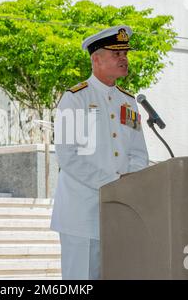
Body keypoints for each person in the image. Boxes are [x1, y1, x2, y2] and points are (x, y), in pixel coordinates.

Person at [50, 25, 149, 280]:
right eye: (117, 54)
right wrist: (113, 184)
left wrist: (130, 186)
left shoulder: (128, 102)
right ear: (96, 59)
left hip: (120, 212)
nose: (124, 59)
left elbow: (138, 154)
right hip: (82, 214)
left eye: (125, 53)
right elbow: (69, 156)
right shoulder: (75, 98)